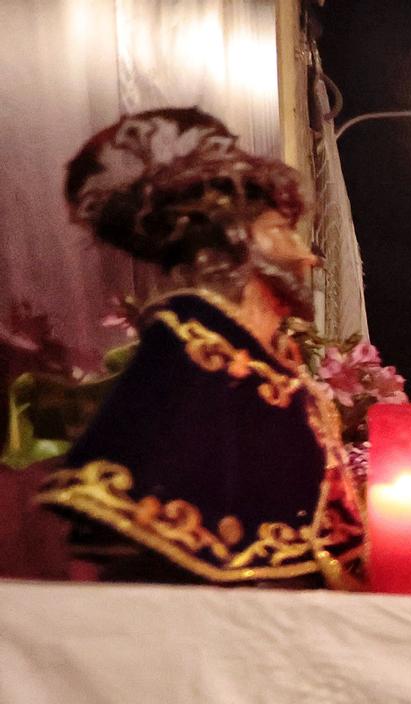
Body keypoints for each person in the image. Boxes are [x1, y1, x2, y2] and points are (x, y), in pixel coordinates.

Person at [37, 108, 361, 587]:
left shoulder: (269, 365)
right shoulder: (189, 345)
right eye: (279, 230)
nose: (305, 254)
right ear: (235, 243)